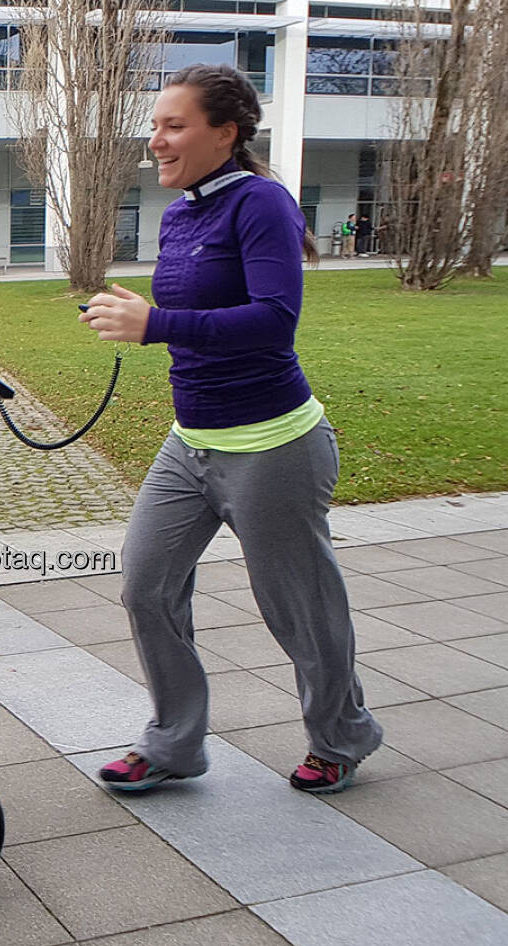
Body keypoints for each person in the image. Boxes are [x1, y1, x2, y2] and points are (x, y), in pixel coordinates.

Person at [81, 63, 381, 796]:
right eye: (155, 125)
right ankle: (175, 744)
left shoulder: (262, 203)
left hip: (274, 445)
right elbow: (200, 318)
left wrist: (154, 323)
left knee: (300, 610)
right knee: (146, 587)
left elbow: (275, 320)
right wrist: (144, 323)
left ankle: (342, 737)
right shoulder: (182, 212)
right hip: (193, 444)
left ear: (227, 132)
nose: (156, 139)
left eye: (174, 125)